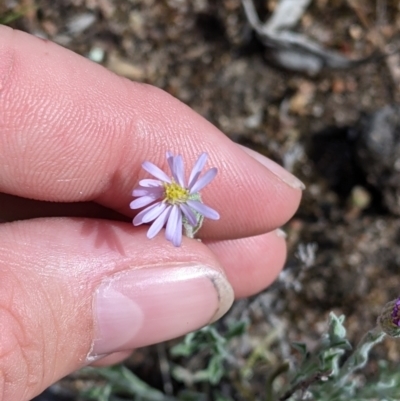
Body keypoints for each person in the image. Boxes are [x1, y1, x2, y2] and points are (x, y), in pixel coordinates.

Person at [0, 25, 303, 401]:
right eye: (171, 188)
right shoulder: (166, 197)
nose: (173, 190)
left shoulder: (183, 196)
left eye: (176, 189)